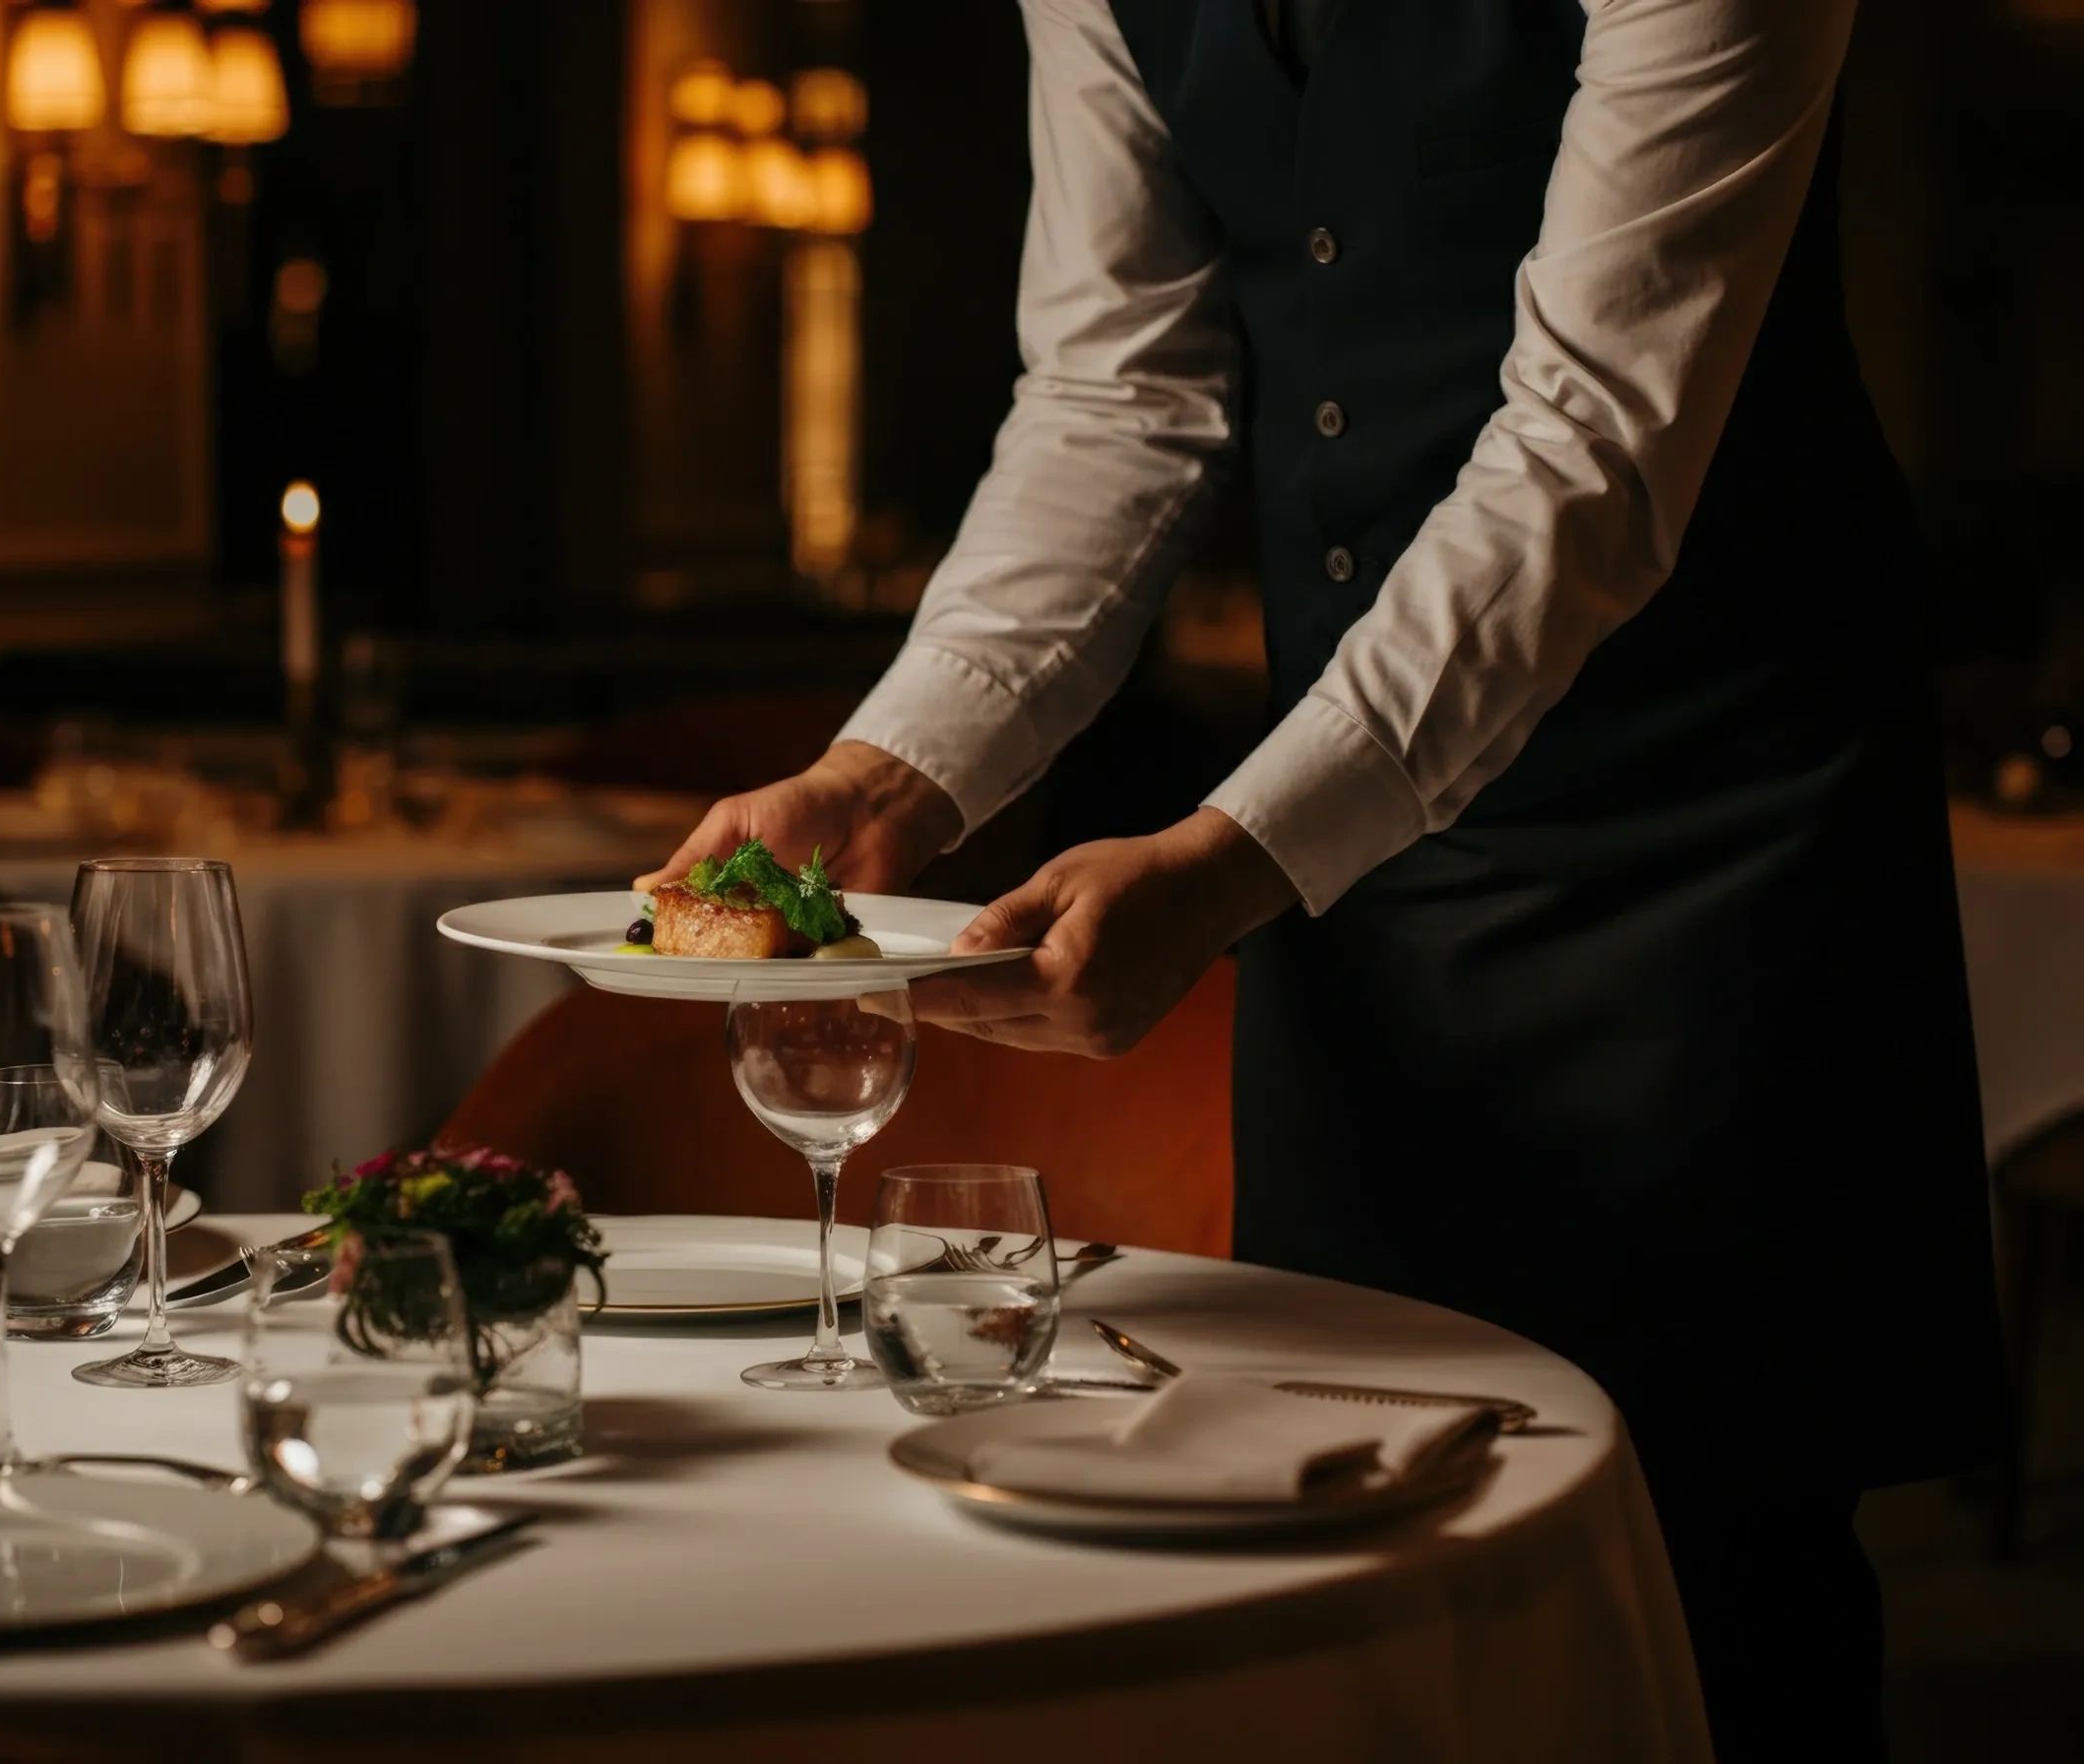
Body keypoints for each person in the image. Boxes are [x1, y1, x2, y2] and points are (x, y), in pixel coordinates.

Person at [643, 1, 2003, 1754]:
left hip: (1703, 838)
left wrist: (1234, 858)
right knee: (1342, 1522)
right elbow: (1115, 396)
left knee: (1714, 1572)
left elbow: (1592, 442)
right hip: (1345, 859)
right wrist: (885, 776)